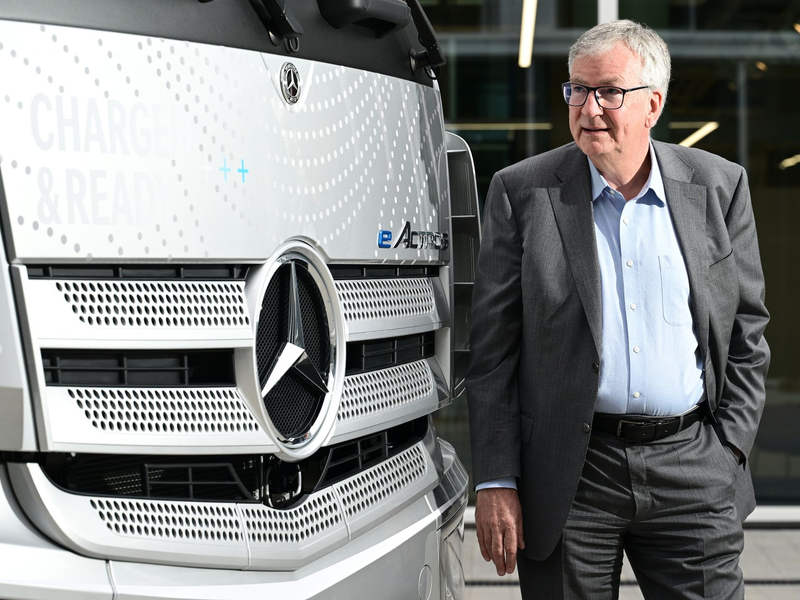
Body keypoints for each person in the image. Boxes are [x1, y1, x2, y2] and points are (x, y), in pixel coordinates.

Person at [466, 19, 770, 599]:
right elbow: (492, 352)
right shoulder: (523, 192)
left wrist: (728, 447)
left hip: (692, 465)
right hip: (570, 473)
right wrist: (497, 478)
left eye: (609, 91)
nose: (589, 106)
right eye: (577, 90)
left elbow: (748, 325)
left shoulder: (718, 187)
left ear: (653, 103)